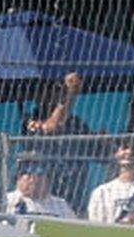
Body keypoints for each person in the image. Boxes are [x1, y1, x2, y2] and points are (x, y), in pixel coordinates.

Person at [23, 72, 106, 211]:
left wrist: (103, 141)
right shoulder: (30, 120)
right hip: (44, 196)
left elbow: (98, 153)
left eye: (59, 90)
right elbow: (52, 127)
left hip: (75, 192)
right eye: (51, 90)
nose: (55, 94)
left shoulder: (76, 123)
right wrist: (70, 95)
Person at [0, 154, 76, 218]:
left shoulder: (61, 206)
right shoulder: (2, 202)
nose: (33, 178)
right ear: (18, 177)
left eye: (40, 172)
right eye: (27, 172)